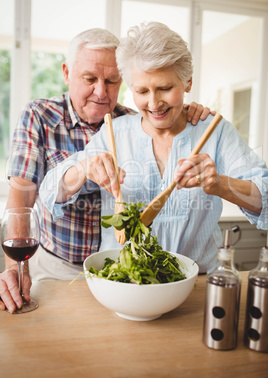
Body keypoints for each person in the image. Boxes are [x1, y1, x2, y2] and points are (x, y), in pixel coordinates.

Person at [0, 27, 211, 313]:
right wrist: (15, 268)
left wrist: (188, 112)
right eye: (90, 79)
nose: (102, 91)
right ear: (66, 73)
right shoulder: (40, 116)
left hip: (115, 271)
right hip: (56, 266)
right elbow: (22, 198)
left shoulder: (134, 121)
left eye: (112, 81)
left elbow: (168, 121)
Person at [40, 21, 268, 278]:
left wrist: (221, 185)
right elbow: (49, 191)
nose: (154, 103)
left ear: (187, 82)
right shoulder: (114, 132)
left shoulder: (213, 131)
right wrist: (83, 169)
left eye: (165, 88)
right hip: (124, 284)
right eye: (142, 91)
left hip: (197, 287)